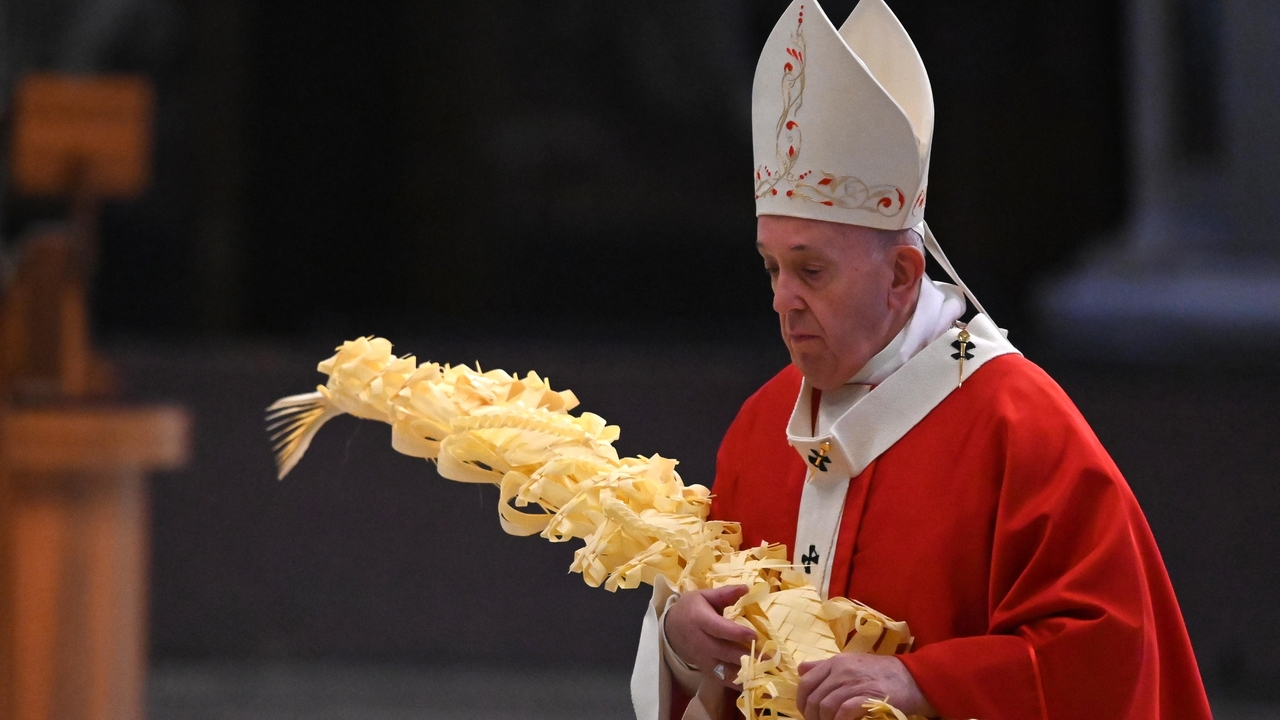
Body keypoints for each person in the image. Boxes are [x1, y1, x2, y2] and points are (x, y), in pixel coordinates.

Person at [630, 1, 1214, 719]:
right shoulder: (761, 428)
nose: (783, 300)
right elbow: (710, 629)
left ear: (904, 274)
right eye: (771, 268)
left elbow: (1108, 658)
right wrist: (682, 639)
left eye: (811, 271)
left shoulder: (1019, 425)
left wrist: (929, 683)